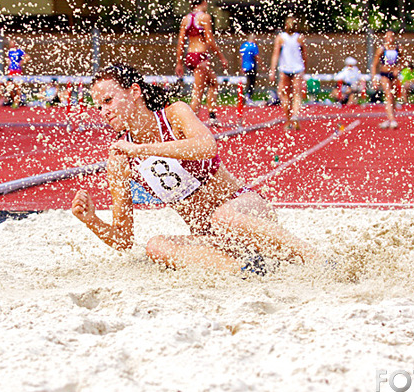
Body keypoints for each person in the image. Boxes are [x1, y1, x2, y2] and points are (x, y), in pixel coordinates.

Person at [71, 64, 317, 274]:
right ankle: (246, 269)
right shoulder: (120, 159)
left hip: (245, 211)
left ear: (134, 92)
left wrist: (143, 149)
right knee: (156, 245)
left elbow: (207, 146)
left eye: (108, 101)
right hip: (212, 237)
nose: (104, 112)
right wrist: (91, 220)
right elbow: (123, 240)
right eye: (99, 106)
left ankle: (316, 258)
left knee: (223, 217)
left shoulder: (175, 114)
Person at [175, 0, 228, 123]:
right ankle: (191, 123)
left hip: (190, 55)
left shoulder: (185, 19)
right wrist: (222, 57)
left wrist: (179, 63)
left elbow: (181, 42)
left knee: (213, 82)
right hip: (200, 56)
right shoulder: (205, 17)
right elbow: (210, 40)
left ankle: (212, 114)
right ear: (203, 3)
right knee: (198, 90)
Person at [269, 16, 307, 130]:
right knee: (296, 94)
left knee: (285, 95)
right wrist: (305, 69)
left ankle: (289, 119)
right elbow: (304, 56)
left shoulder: (280, 38)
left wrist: (272, 70)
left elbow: (275, 54)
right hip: (297, 68)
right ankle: (294, 115)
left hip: (285, 69)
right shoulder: (299, 38)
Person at [371, 30, 403, 129]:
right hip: (384, 74)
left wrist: (398, 69)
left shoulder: (399, 49)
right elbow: (374, 64)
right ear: (385, 37)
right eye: (388, 37)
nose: (390, 39)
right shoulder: (381, 49)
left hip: (394, 75)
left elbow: (403, 62)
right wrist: (374, 79)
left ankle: (390, 117)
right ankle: (392, 119)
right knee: (388, 95)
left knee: (392, 96)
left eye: (392, 36)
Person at [239, 33, 263, 100]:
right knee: (252, 82)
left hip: (245, 66)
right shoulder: (253, 46)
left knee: (247, 81)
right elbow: (256, 56)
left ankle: (244, 95)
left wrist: (241, 66)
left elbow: (241, 57)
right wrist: (262, 65)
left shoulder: (243, 45)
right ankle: (249, 96)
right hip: (251, 66)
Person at [7, 37, 30, 107]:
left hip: (17, 71)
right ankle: (14, 99)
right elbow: (8, 59)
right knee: (9, 86)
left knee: (17, 87)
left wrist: (22, 62)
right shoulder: (10, 52)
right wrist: (9, 63)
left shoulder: (19, 51)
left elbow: (27, 57)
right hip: (11, 71)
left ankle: (17, 102)